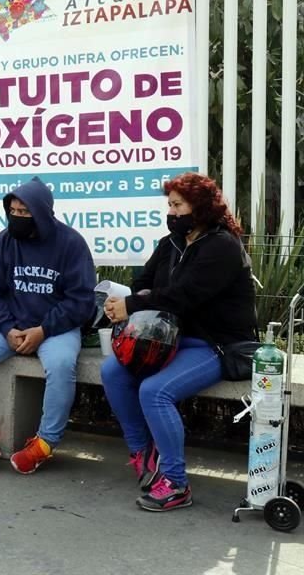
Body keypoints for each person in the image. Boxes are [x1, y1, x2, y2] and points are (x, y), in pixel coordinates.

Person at [100, 172, 256, 512]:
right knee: (112, 372)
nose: (171, 213)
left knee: (155, 391)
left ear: (200, 207)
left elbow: (184, 297)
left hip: (216, 345)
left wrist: (133, 304)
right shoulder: (170, 244)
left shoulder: (223, 246)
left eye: (178, 205)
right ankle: (143, 455)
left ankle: (176, 484)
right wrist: (123, 301)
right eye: (169, 205)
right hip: (170, 340)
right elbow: (143, 281)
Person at [0, 177, 96, 474]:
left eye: (24, 212)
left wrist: (43, 330)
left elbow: (81, 301)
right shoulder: (3, 242)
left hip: (55, 329)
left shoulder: (71, 243)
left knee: (61, 364)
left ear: (42, 213)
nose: (17, 217)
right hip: (10, 328)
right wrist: (7, 328)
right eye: (13, 211)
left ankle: (45, 443)